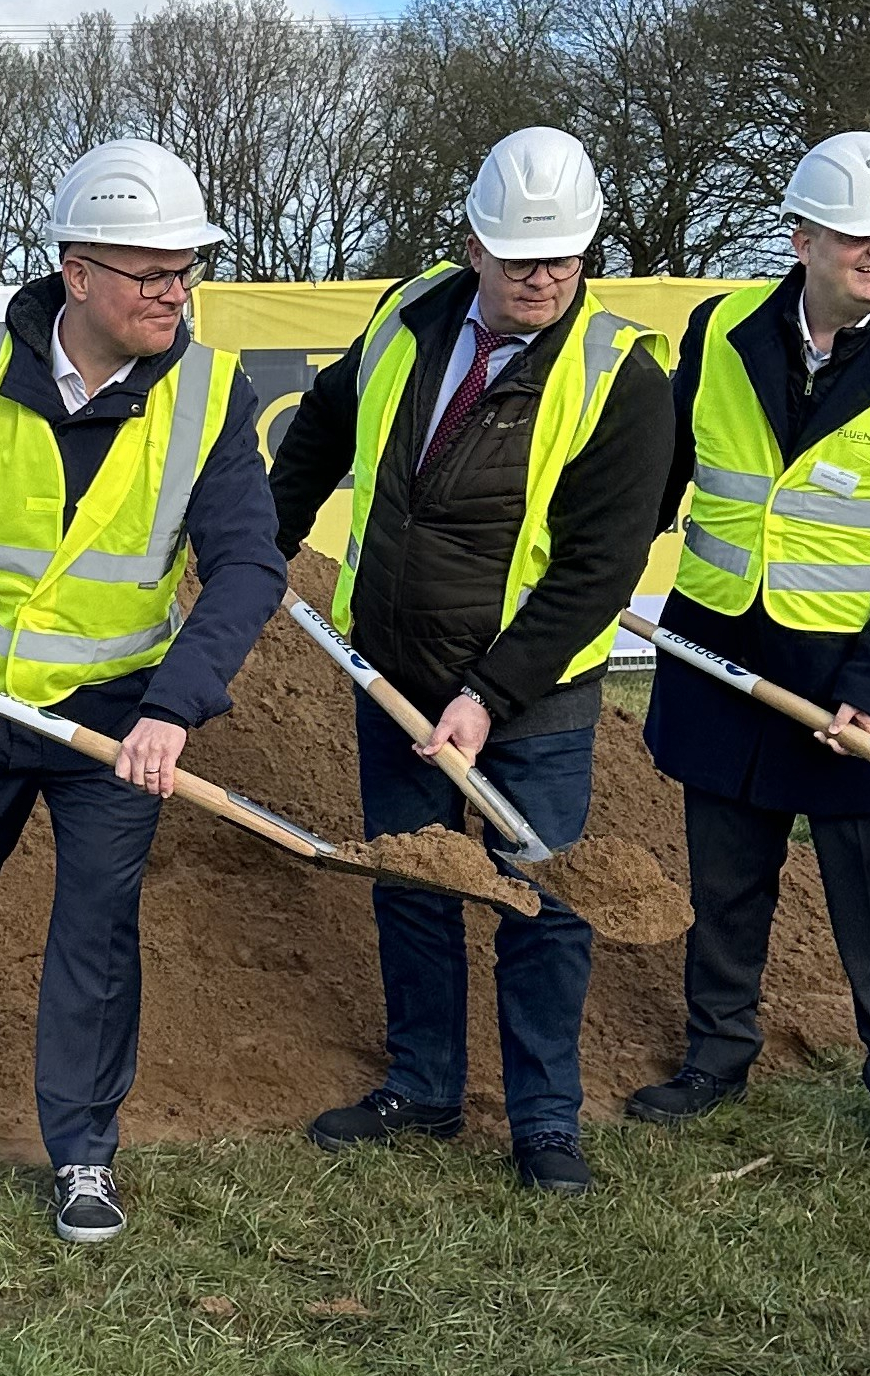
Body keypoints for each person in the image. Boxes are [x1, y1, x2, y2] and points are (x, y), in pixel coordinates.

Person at [0, 138, 286, 1243]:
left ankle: (82, 1151)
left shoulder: (213, 394)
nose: (175, 292)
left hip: (114, 720)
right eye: (149, 272)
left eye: (186, 271)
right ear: (77, 273)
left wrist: (174, 706)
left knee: (93, 932)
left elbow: (249, 564)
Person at [266, 127, 674, 1195]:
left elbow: (597, 569)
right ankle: (424, 1083)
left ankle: (544, 1119)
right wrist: (260, 538)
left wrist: (489, 696)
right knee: (411, 882)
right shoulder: (408, 311)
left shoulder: (621, 378)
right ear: (471, 243)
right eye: (517, 255)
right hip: (389, 673)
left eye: (564, 256)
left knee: (538, 897)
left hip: (528, 698)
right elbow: (319, 428)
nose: (541, 276)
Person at [625, 132, 870, 1155]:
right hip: (721, 654)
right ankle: (714, 1055)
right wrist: (601, 568)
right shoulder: (718, 332)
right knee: (725, 873)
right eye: (856, 233)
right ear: (801, 238)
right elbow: (659, 480)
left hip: (863, 673)